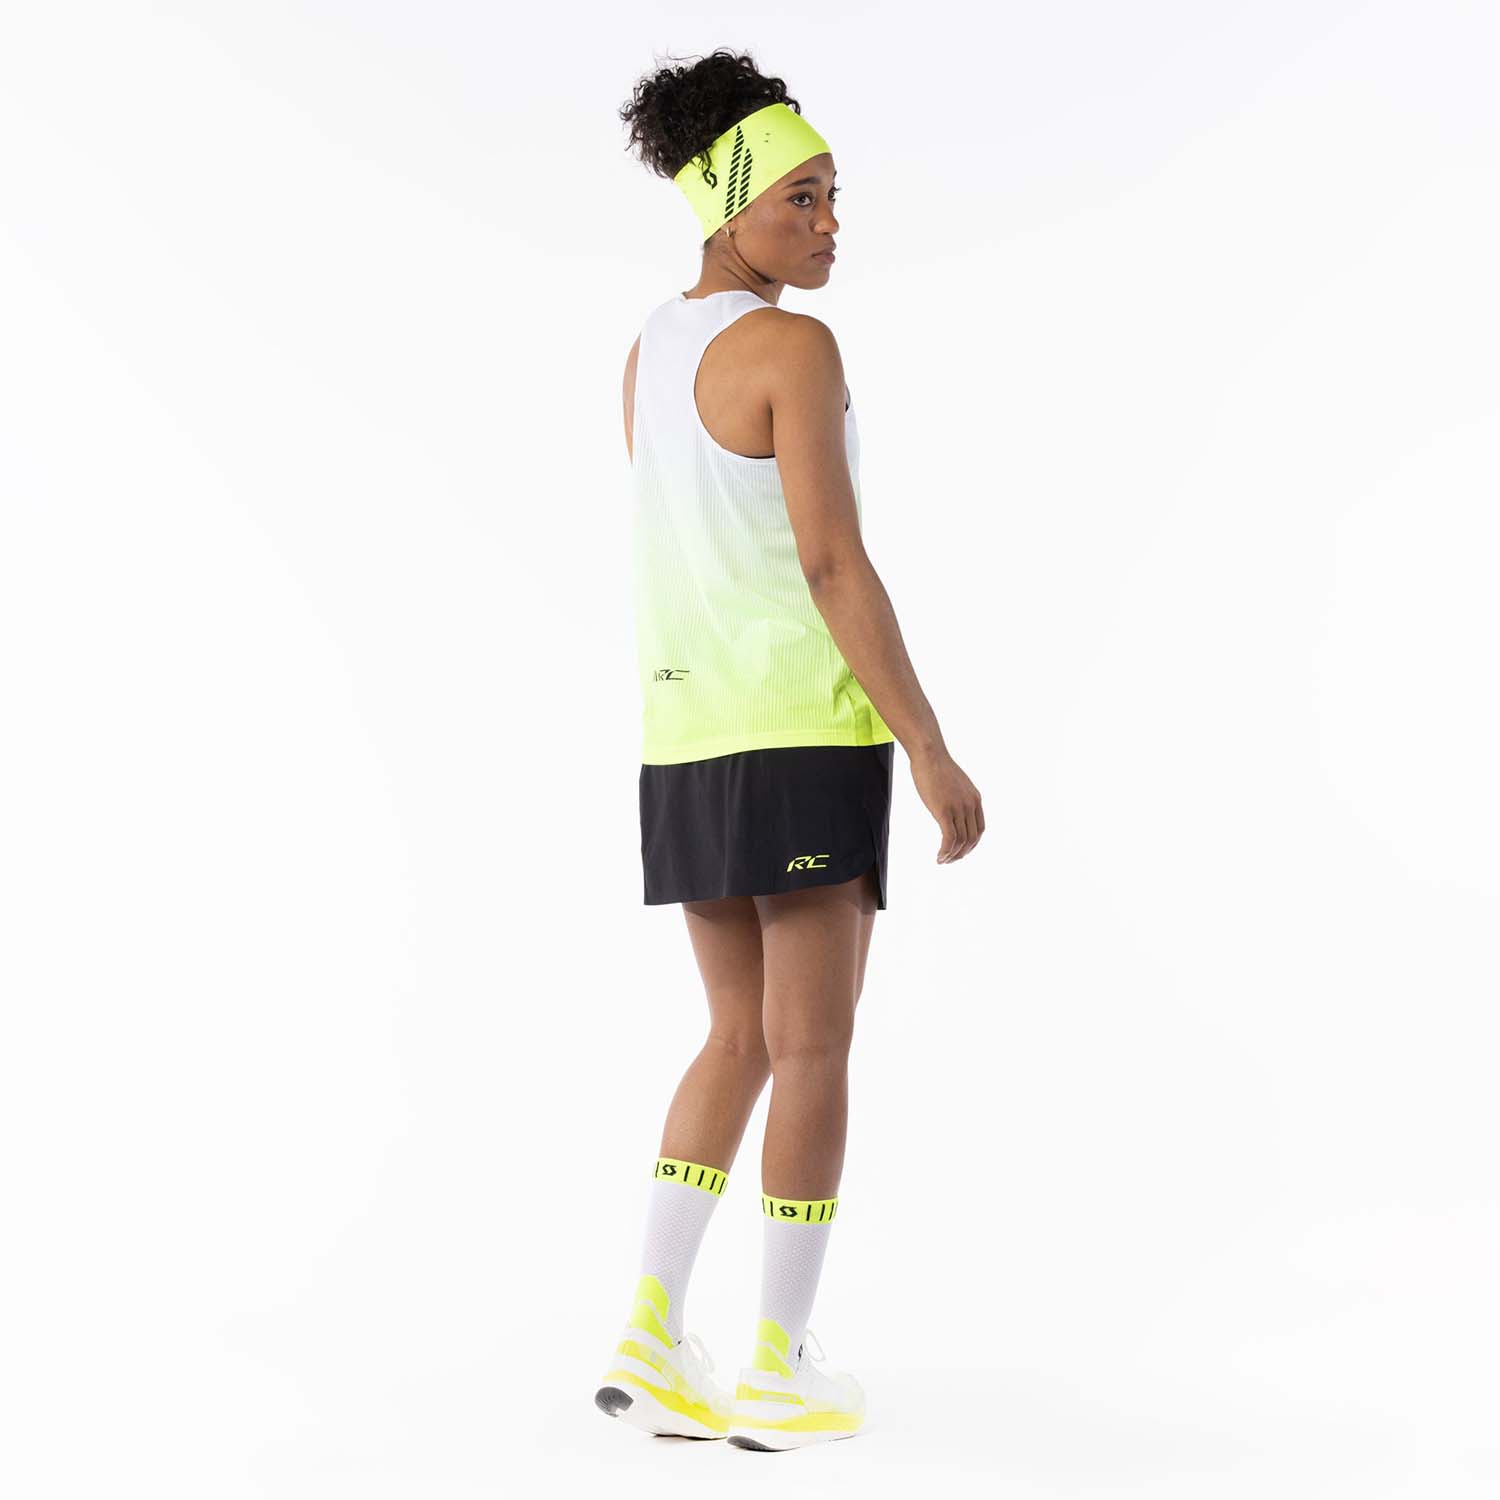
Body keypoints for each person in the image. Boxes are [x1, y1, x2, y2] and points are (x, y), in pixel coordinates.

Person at [595, 49, 983, 1452]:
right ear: (726, 205)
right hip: (801, 735)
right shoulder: (794, 350)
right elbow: (829, 562)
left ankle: (652, 1334)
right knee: (812, 1045)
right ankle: (778, 1359)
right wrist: (925, 744)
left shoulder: (648, 352)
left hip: (685, 742)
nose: (828, 225)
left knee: (738, 1036)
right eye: (801, 199)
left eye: (834, 197)